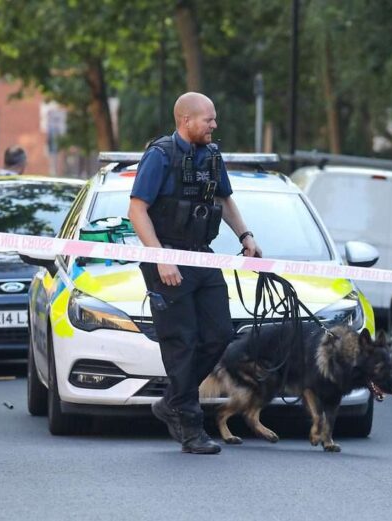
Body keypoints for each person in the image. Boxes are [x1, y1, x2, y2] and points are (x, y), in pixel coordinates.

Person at [128, 92, 261, 455]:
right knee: (181, 344)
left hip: (203, 257)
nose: (214, 125)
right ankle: (190, 427)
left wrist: (246, 236)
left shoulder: (212, 156)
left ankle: (172, 400)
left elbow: (224, 200)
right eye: (208, 120)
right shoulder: (159, 156)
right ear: (186, 121)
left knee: (219, 335)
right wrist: (160, 257)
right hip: (168, 259)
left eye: (214, 119)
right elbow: (137, 210)